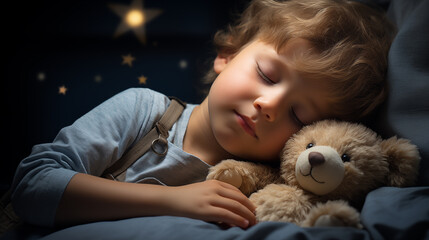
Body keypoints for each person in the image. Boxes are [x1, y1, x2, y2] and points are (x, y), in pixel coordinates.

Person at [11, 0, 395, 230]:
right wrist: (174, 201)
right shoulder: (144, 110)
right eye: (266, 74)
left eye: (298, 115)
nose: (269, 106)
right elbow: (32, 186)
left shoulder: (272, 187)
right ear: (227, 55)